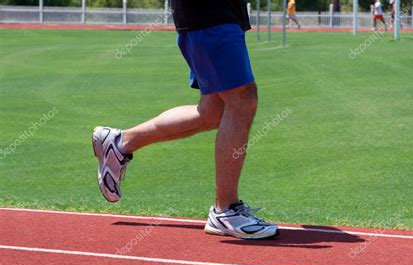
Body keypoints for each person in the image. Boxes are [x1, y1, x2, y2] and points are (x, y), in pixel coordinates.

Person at [92, 0, 279, 240]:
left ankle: (120, 142)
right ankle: (225, 210)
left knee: (213, 111)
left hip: (217, 14)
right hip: (211, 13)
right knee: (243, 100)